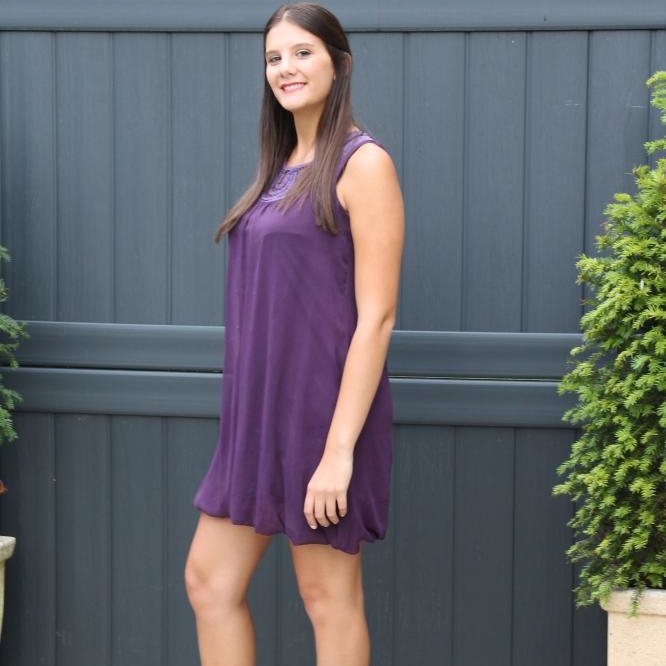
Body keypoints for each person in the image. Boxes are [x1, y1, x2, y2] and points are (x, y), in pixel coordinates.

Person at [184, 3, 404, 665]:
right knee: (209, 583)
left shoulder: (363, 164)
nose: (286, 68)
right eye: (274, 57)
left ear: (340, 64)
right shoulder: (280, 166)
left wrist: (338, 452)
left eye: (303, 52)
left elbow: (377, 318)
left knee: (327, 599)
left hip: (323, 420)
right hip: (255, 420)